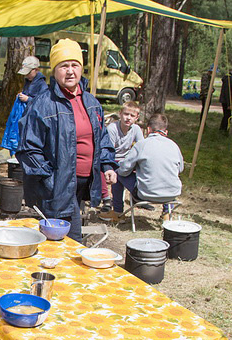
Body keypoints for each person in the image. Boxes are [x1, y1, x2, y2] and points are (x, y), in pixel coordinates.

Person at [17, 39, 117, 241]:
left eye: (74, 65)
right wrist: (50, 180)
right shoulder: (42, 104)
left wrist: (107, 165)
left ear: (81, 69)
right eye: (64, 66)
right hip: (57, 186)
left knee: (62, 239)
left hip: (83, 184)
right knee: (70, 240)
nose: (70, 71)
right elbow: (28, 149)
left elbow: (101, 137)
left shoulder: (91, 102)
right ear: (54, 71)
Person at [117, 113, 184, 219]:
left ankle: (117, 211)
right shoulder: (174, 145)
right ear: (166, 132)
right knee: (168, 175)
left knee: (116, 172)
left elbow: (124, 169)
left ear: (148, 130)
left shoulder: (141, 145)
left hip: (146, 194)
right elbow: (180, 169)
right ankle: (167, 213)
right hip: (172, 194)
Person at [99, 100, 144, 221]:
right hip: (113, 160)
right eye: (126, 114)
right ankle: (133, 198)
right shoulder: (112, 128)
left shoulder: (136, 129)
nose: (128, 118)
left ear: (136, 118)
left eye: (132, 116)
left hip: (128, 161)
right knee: (118, 174)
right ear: (120, 114)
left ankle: (122, 208)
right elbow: (109, 151)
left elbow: (141, 148)